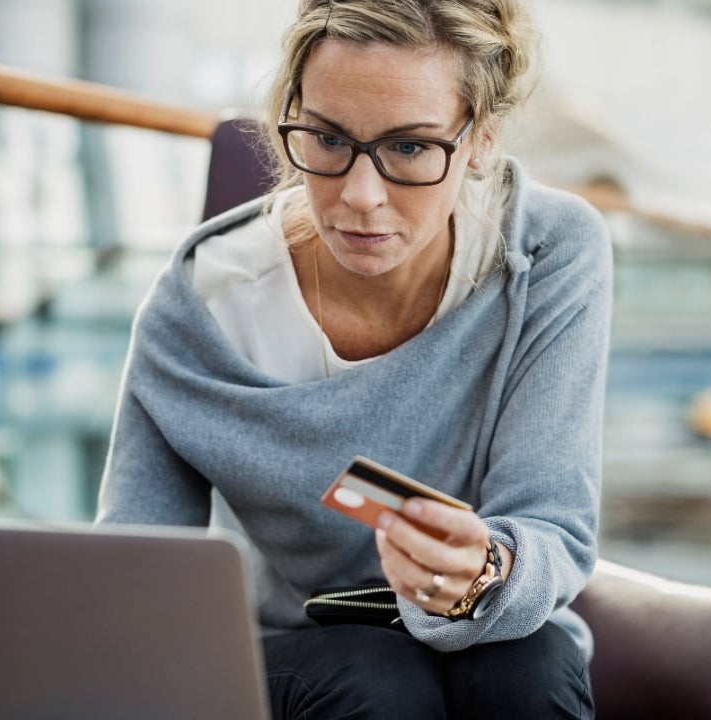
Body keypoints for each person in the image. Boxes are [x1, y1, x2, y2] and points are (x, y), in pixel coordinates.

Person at [96, 0, 611, 716]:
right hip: (299, 654)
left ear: (482, 141)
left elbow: (551, 524)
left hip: (498, 640)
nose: (360, 197)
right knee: (375, 674)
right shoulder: (203, 307)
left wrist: (483, 573)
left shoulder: (547, 253)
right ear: (289, 117)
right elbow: (136, 579)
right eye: (328, 139)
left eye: (409, 148)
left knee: (533, 664)